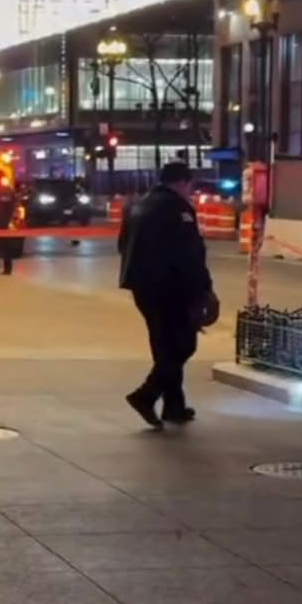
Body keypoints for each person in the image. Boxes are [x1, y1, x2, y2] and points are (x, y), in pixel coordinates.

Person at [119, 161, 217, 429]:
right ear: (183, 182)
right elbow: (190, 256)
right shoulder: (177, 209)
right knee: (183, 345)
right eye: (190, 186)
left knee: (164, 345)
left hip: (142, 286)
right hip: (170, 287)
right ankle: (145, 396)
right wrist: (204, 290)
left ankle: (174, 405)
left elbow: (122, 245)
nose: (191, 192)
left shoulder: (136, 205)